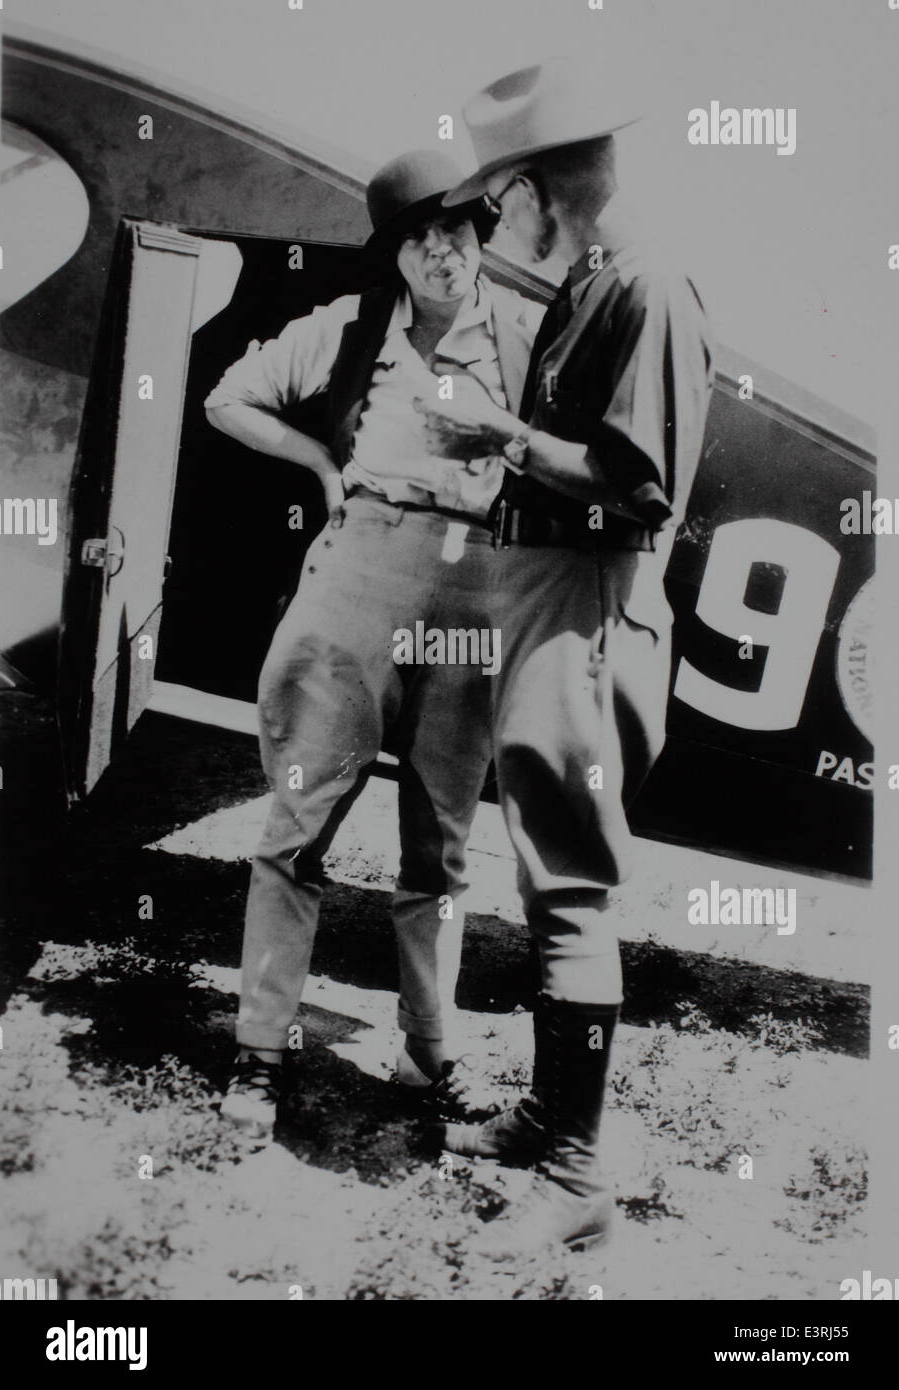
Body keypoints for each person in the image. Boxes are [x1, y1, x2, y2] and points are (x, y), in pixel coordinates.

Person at [416, 58, 715, 1258]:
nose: (499, 218)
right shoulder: (596, 277)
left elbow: (640, 493)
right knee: (542, 873)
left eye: (502, 195)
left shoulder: (648, 286)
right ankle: (553, 1114)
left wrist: (504, 436)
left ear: (539, 184)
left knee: (571, 892)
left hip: (591, 615)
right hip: (550, 599)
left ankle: (581, 1171)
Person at [204, 149, 542, 1141]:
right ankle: (261, 1051)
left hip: (474, 585)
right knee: (295, 824)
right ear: (395, 252)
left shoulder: (524, 342)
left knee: (439, 845)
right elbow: (229, 396)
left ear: (482, 240)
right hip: (360, 574)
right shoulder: (346, 332)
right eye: (419, 236)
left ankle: (427, 1052)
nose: (442, 252)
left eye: (458, 232)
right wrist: (317, 460)